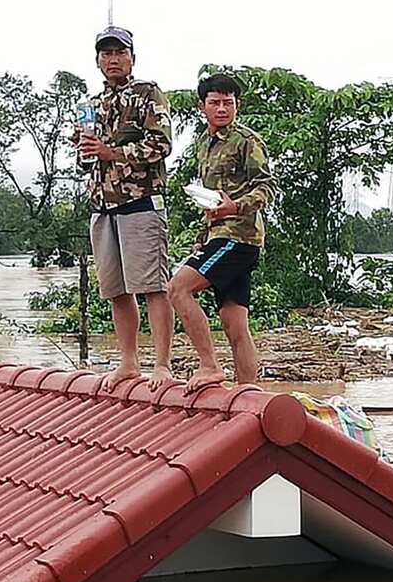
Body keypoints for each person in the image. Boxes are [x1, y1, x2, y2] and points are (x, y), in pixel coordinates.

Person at [75, 26, 175, 391]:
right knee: (116, 290)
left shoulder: (148, 94)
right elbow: (86, 161)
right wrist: (84, 148)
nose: (112, 59)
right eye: (106, 53)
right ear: (98, 60)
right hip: (102, 206)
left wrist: (111, 152)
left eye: (119, 52)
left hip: (140, 203)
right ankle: (129, 362)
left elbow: (161, 145)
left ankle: (162, 364)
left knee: (152, 286)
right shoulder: (91, 104)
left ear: (133, 56)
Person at [167, 73, 277, 392]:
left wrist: (235, 207)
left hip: (238, 237)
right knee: (235, 324)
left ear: (236, 106)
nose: (222, 109)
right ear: (202, 106)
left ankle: (209, 366)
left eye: (228, 103)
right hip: (218, 235)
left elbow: (267, 187)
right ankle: (249, 394)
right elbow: (212, 197)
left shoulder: (247, 140)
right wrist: (205, 229)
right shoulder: (204, 143)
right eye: (215, 102)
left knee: (178, 289)